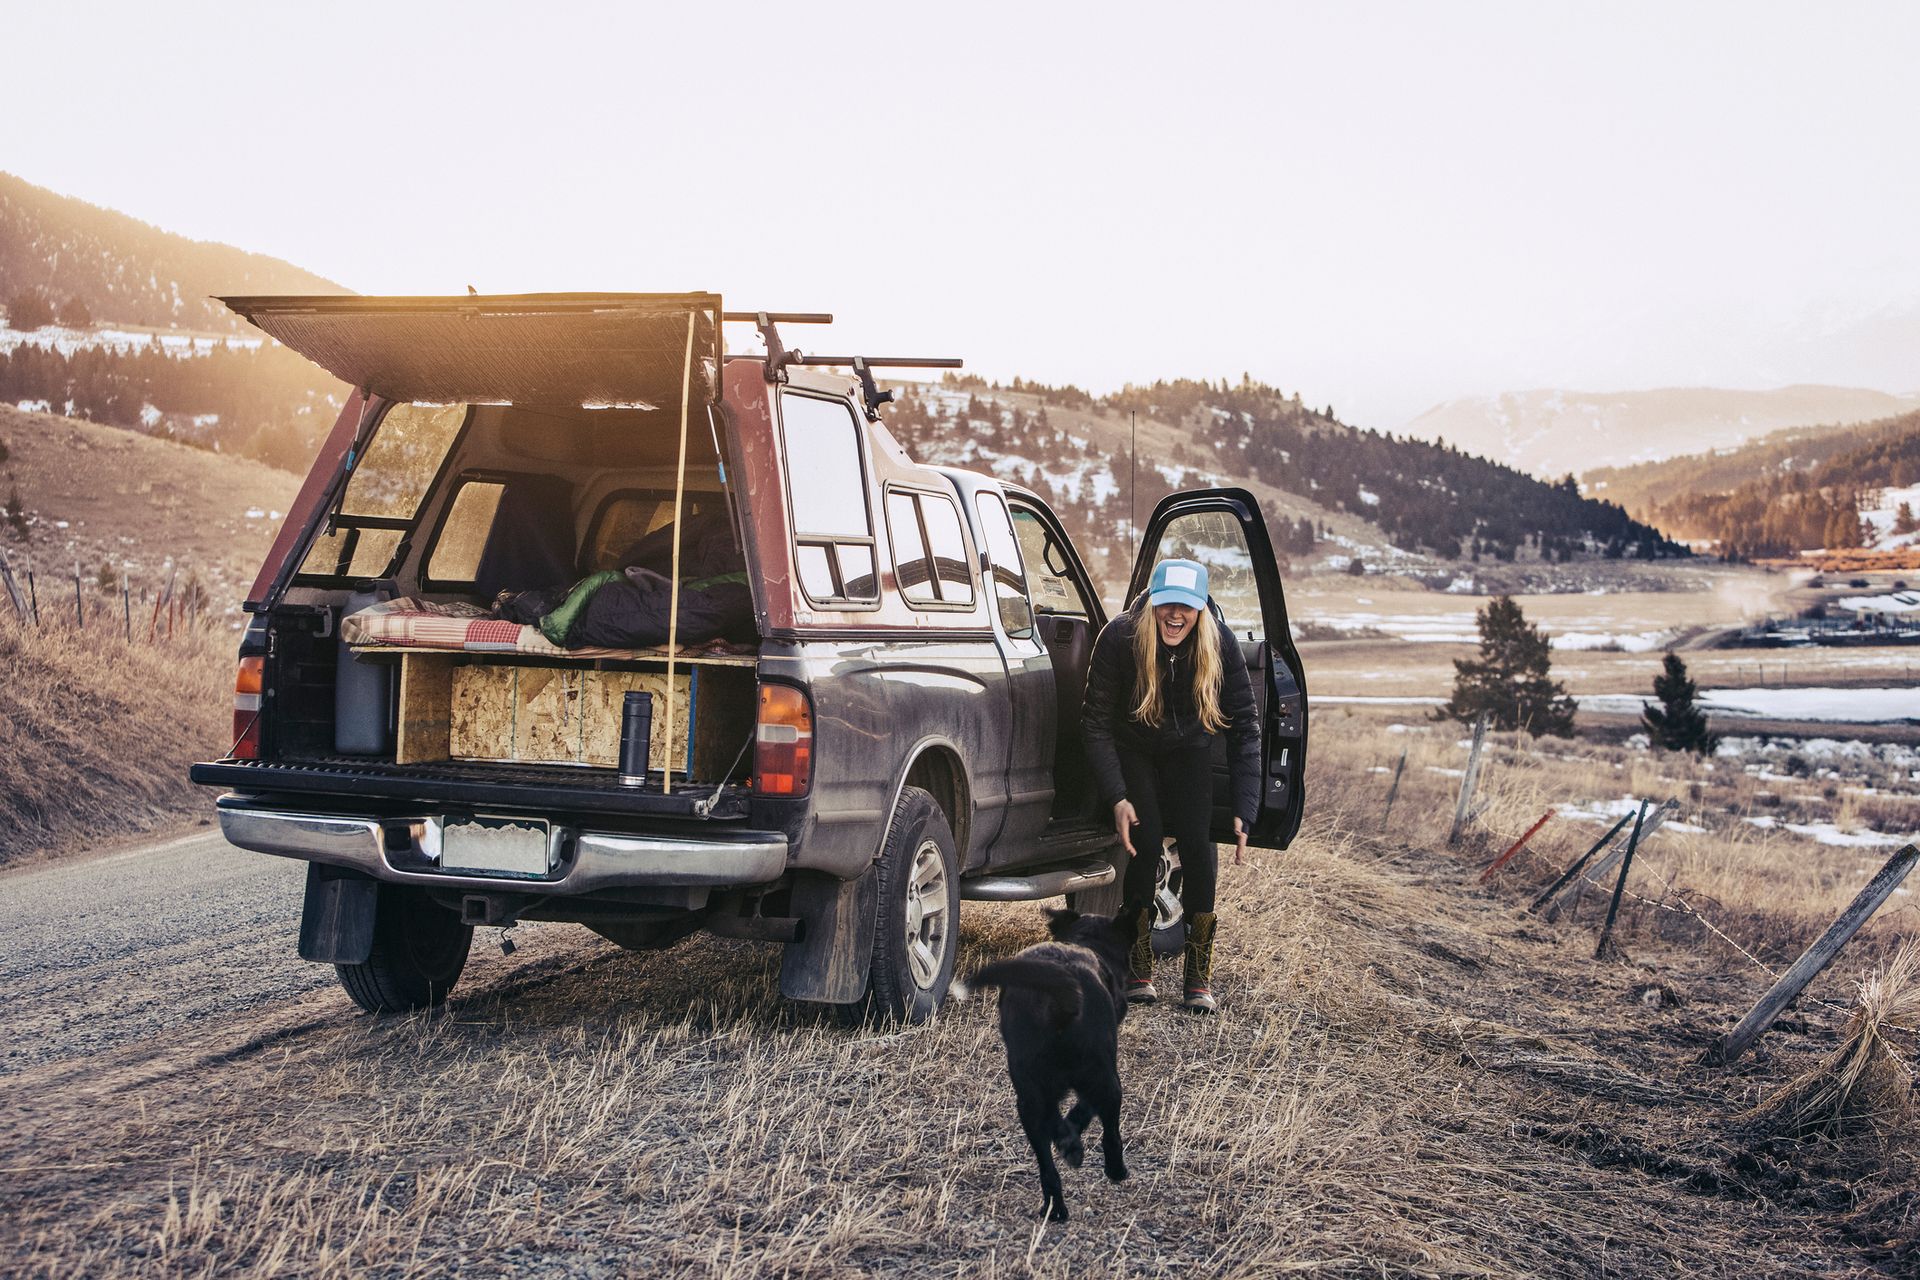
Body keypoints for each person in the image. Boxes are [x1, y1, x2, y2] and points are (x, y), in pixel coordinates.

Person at [1080, 557, 1260, 1013]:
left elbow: (1245, 728)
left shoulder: (1219, 642)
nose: (1175, 615)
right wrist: (1117, 796)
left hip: (1189, 749)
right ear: (1152, 604)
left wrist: (1245, 805)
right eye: (1166, 605)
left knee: (1199, 847)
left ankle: (1197, 977)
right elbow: (1095, 723)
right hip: (1134, 745)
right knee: (1146, 835)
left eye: (1187, 606)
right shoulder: (1120, 638)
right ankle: (1138, 968)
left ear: (1201, 609)